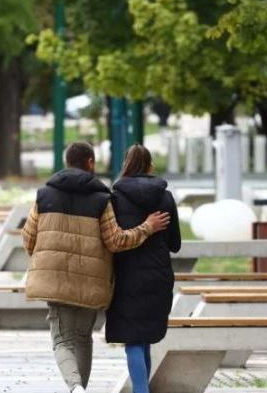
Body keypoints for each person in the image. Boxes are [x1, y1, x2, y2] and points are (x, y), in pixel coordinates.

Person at [21, 142, 170, 393]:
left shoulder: (44, 196)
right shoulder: (102, 199)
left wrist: (45, 262)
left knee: (62, 341)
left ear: (67, 161)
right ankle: (80, 387)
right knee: (82, 339)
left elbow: (28, 238)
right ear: (90, 162)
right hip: (92, 283)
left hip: (55, 282)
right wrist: (147, 227)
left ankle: (76, 387)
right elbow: (116, 241)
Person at [105, 144, 181, 393]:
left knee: (133, 339)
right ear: (150, 165)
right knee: (145, 337)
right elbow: (175, 244)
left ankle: (141, 390)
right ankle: (142, 389)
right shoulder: (165, 197)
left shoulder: (114, 198)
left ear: (126, 164)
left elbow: (111, 239)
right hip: (158, 274)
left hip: (127, 274)